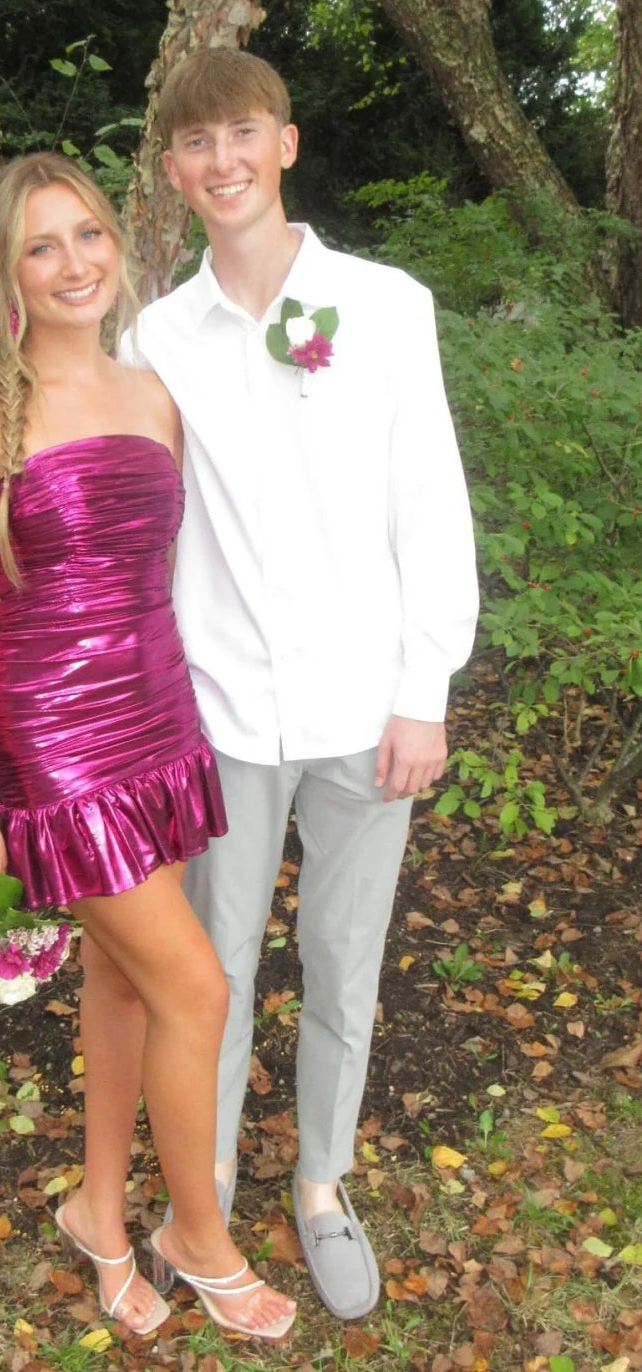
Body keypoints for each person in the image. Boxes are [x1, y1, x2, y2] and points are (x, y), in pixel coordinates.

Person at [115, 48, 480, 1321]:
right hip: (219, 710)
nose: (222, 161)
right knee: (207, 968)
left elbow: (430, 502)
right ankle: (205, 1188)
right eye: (195, 142)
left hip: (366, 705)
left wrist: (425, 689)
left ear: (286, 144)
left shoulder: (384, 305)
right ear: (173, 170)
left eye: (243, 133)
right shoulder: (155, 335)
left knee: (343, 956)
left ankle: (321, 1179)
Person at [0, 152, 296, 1341]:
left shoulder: (154, 394)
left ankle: (96, 1209)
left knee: (126, 979)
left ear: (118, 244)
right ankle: (199, 1234)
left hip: (158, 717)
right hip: (55, 740)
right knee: (199, 986)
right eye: (42, 245)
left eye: (87, 234)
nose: (74, 263)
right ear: (6, 272)